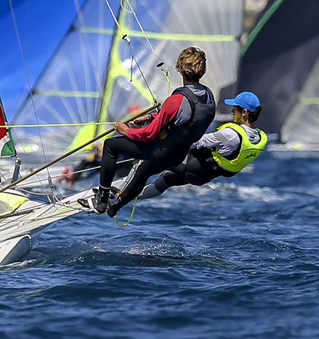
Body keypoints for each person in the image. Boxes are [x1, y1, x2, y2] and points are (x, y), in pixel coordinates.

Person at [93, 46, 216, 217]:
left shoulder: (176, 100)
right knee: (144, 170)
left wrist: (126, 130)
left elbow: (148, 134)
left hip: (160, 152)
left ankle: (102, 197)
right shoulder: (209, 97)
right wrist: (151, 117)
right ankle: (116, 206)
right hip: (178, 156)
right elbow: (185, 116)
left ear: (180, 68)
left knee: (110, 145)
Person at [137, 91, 269, 204]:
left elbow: (195, 142)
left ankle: (121, 194)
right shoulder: (261, 138)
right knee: (166, 180)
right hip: (203, 177)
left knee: (150, 160)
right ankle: (129, 198)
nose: (232, 111)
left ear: (244, 112)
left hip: (193, 165)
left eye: (235, 109)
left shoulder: (230, 134)